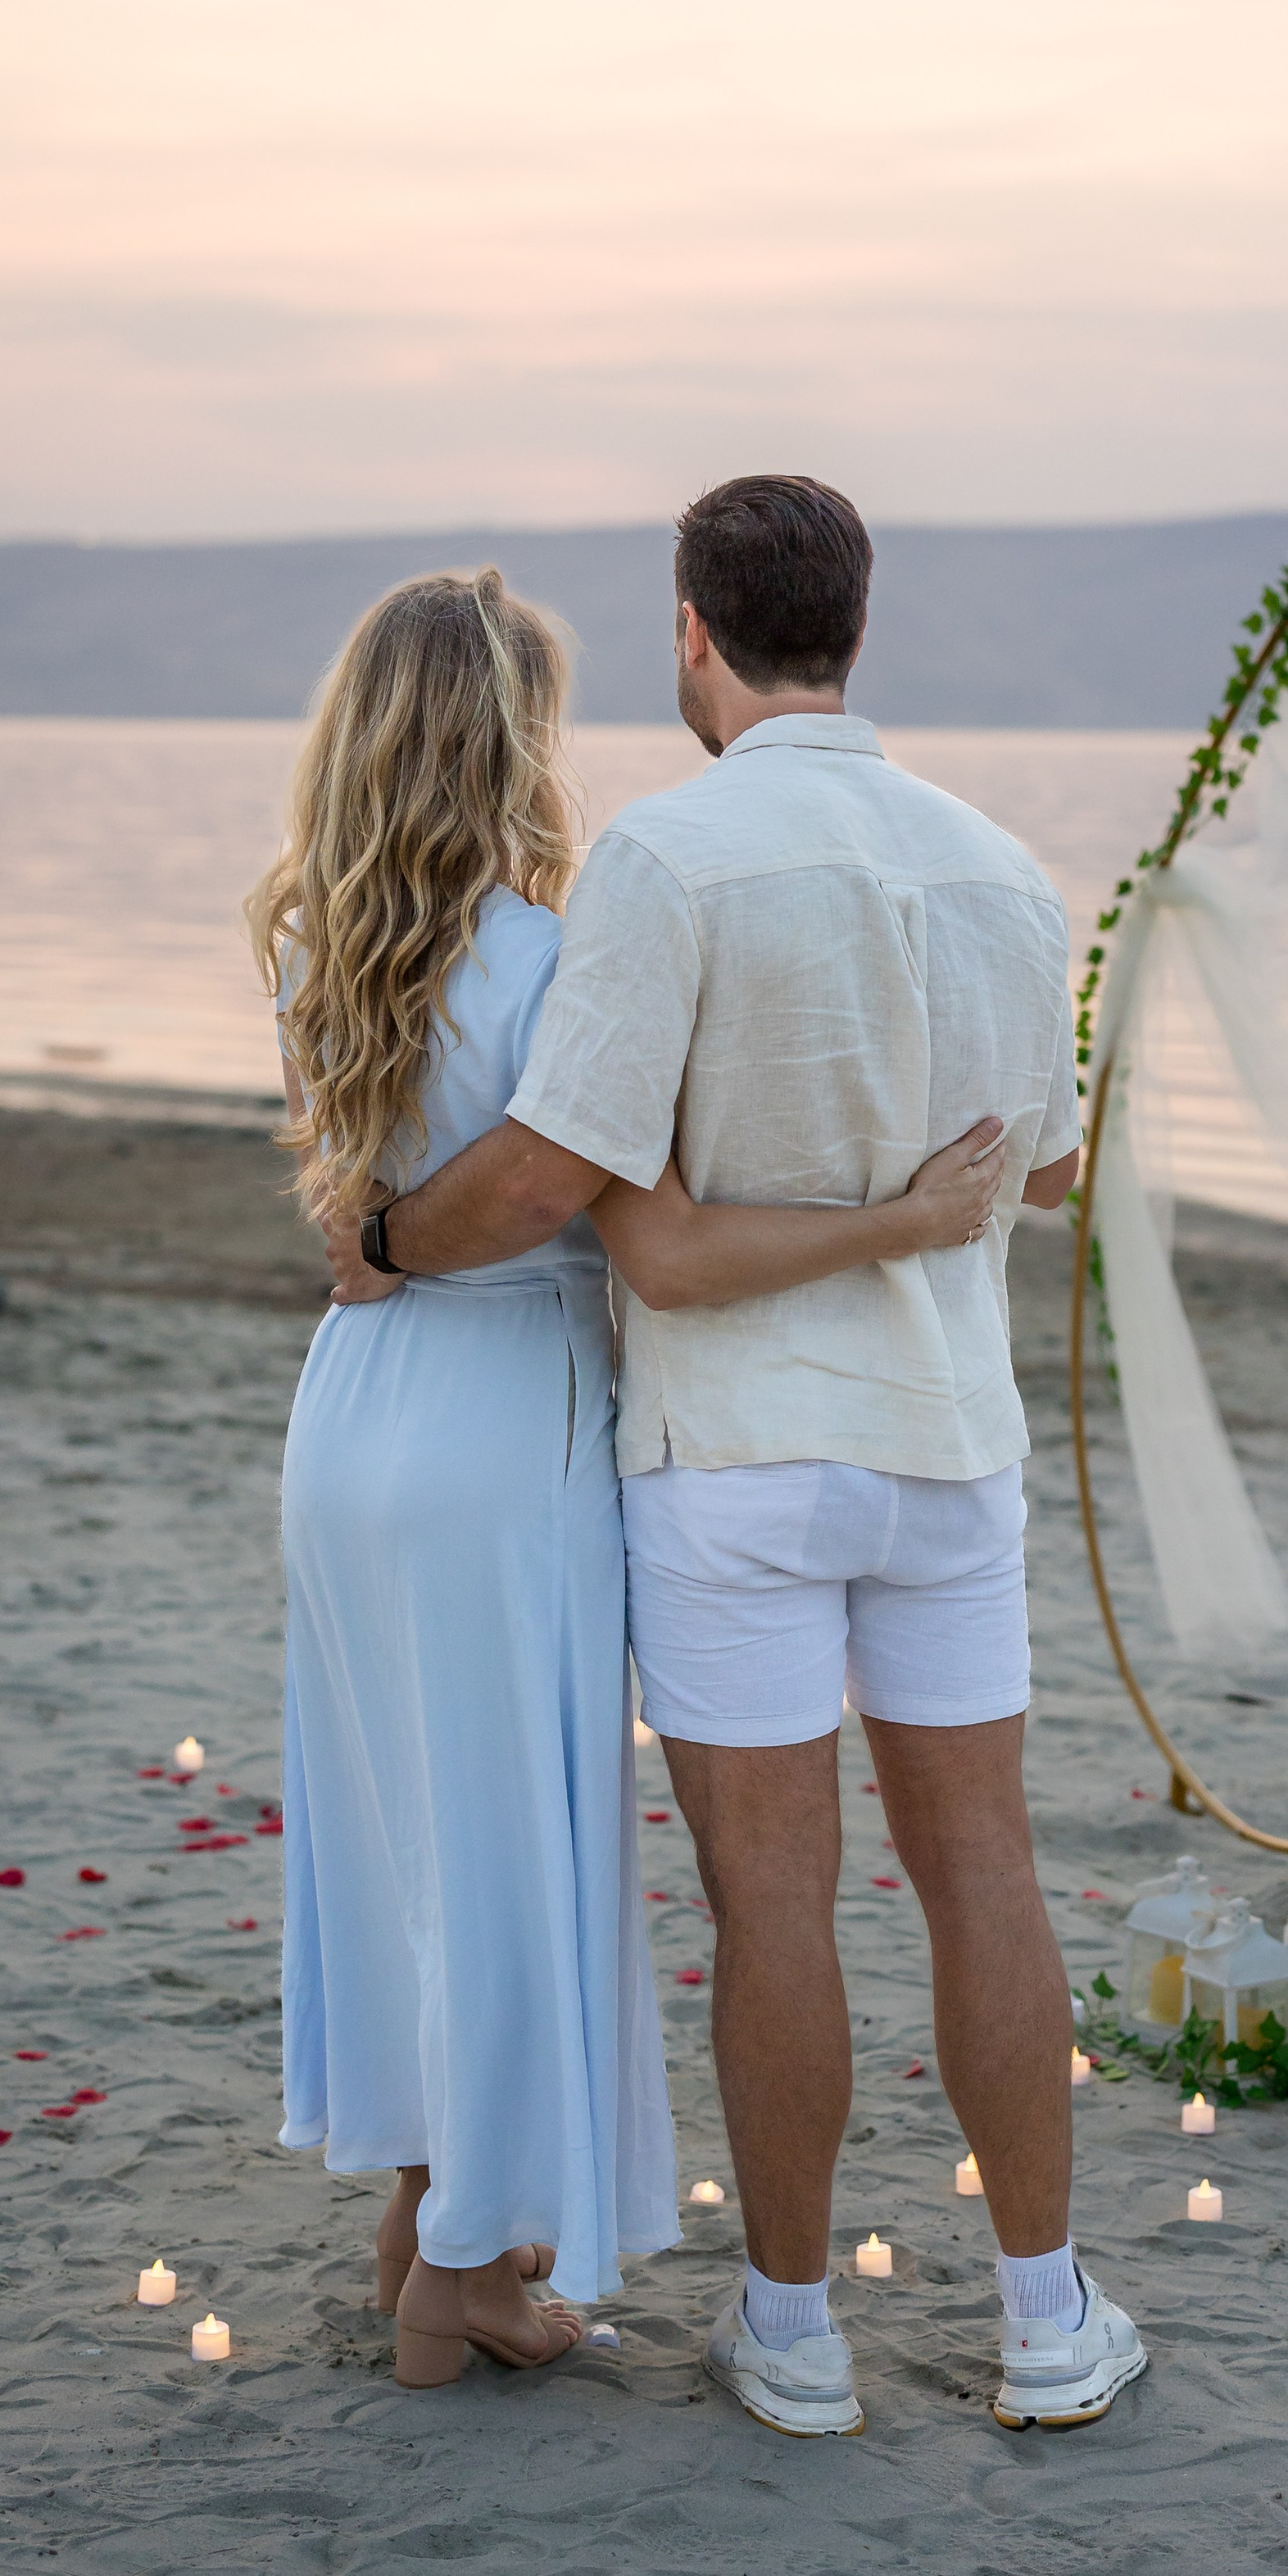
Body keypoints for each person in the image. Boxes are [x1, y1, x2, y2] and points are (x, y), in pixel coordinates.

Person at [322, 480, 1148, 2438]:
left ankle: (792, 2329)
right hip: (939, 1444)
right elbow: (1039, 1165)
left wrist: (376, 1241)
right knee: (985, 1880)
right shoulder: (1005, 871)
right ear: (856, 626)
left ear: (694, 629)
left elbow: (566, 1164)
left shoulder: (666, 868)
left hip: (731, 1462)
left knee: (774, 1905)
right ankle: (1041, 2317)